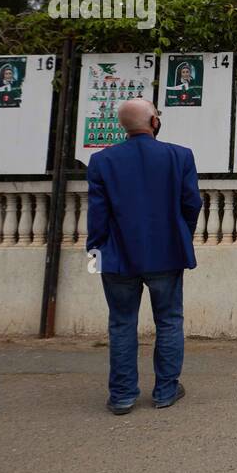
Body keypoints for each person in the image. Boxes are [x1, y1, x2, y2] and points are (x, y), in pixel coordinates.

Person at [85, 98, 201, 415]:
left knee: (121, 324)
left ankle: (122, 396)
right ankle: (165, 391)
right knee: (169, 321)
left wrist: (96, 250)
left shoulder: (101, 162)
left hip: (117, 256)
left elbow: (97, 215)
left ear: (124, 126)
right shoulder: (179, 156)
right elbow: (192, 204)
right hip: (167, 254)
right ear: (153, 122)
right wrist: (181, 237)